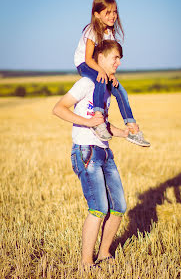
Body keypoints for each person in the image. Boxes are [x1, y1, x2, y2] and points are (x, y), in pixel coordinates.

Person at [53, 40, 137, 269]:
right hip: (86, 151)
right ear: (99, 59)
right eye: (115, 58)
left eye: (120, 59)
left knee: (118, 207)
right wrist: (88, 122)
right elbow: (59, 108)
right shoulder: (86, 83)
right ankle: (86, 262)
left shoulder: (108, 88)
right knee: (98, 208)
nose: (118, 63)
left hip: (106, 152)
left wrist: (126, 134)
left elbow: (104, 124)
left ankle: (104, 254)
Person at [74, 0, 150, 147]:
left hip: (100, 66)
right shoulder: (92, 30)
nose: (112, 16)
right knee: (100, 80)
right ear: (96, 14)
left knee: (119, 90)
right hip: (84, 63)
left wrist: (112, 75)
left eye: (114, 12)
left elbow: (109, 57)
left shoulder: (110, 32)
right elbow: (88, 59)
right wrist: (103, 72)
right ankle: (98, 119)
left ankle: (132, 127)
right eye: (107, 12)